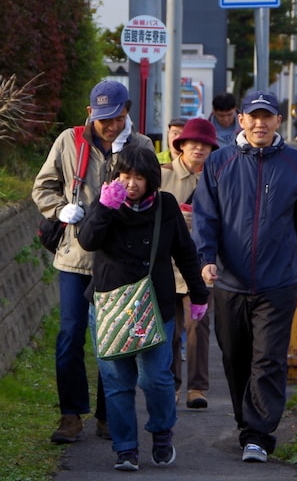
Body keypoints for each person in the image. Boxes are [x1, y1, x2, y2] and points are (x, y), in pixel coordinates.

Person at [192, 90, 297, 463]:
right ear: (241, 120)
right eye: (254, 117)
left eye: (268, 117)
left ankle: (259, 435)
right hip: (229, 282)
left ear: (279, 121)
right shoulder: (219, 162)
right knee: (235, 359)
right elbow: (205, 216)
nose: (260, 123)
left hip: (277, 282)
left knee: (268, 361)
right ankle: (245, 423)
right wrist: (206, 258)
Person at [32, 81, 154, 444]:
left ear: (127, 111)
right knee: (70, 336)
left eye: (117, 118)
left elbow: (150, 195)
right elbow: (42, 186)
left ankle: (107, 415)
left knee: (113, 340)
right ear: (90, 114)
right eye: (103, 120)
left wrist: (124, 162)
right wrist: (60, 210)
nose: (111, 126)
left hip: (118, 261)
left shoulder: (141, 145)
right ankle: (71, 415)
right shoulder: (69, 141)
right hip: (74, 258)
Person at [78, 145, 209, 472]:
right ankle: (126, 449)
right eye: (124, 175)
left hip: (155, 304)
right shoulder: (107, 203)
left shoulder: (165, 206)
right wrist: (105, 208)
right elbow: (88, 241)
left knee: (155, 378)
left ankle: (162, 431)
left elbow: (185, 252)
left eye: (138, 176)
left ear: (151, 178)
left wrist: (199, 295)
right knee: (118, 381)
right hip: (110, 306)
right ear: (115, 176)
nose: (131, 183)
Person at [159, 118, 218, 410]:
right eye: (193, 142)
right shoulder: (161, 175)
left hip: (200, 266)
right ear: (180, 144)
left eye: (205, 144)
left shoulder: (217, 177)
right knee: (169, 328)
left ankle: (197, 387)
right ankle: (171, 386)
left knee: (198, 326)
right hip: (165, 266)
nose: (199, 148)